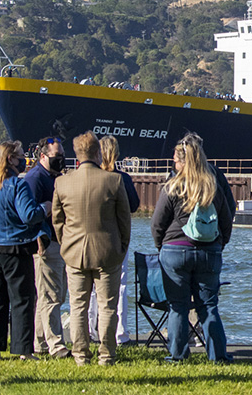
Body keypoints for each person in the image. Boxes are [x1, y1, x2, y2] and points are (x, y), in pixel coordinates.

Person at [152, 132, 233, 363]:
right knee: (208, 306)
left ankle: (177, 355)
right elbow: (227, 221)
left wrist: (162, 247)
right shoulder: (213, 185)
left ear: (182, 162)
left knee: (177, 306)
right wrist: (219, 245)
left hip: (175, 250)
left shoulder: (173, 185)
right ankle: (218, 356)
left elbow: (157, 222)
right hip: (209, 251)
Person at [53, 132, 131, 366]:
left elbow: (57, 220)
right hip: (108, 252)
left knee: (78, 306)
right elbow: (124, 220)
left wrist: (65, 243)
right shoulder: (113, 181)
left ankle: (80, 355)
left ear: (76, 155)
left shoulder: (62, 182)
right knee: (107, 306)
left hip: (74, 253)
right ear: (98, 153)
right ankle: (107, 355)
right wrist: (121, 247)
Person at [0, 141, 46, 361]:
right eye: (22, 156)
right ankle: (23, 349)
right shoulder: (17, 185)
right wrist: (45, 207)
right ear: (11, 159)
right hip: (14, 247)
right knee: (22, 299)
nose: (25, 160)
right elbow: (28, 215)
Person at [87, 135, 141, 346]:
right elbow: (135, 205)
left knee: (91, 286)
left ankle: (91, 331)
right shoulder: (123, 179)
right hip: (118, 237)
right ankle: (120, 333)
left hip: (93, 235)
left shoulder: (93, 176)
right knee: (120, 286)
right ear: (117, 154)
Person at [24, 136, 71, 359]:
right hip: (45, 243)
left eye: (62, 155)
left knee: (55, 294)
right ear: (43, 156)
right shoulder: (35, 179)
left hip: (59, 242)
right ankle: (56, 345)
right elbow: (28, 214)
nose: (60, 159)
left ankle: (40, 341)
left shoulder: (55, 177)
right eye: (56, 156)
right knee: (50, 295)